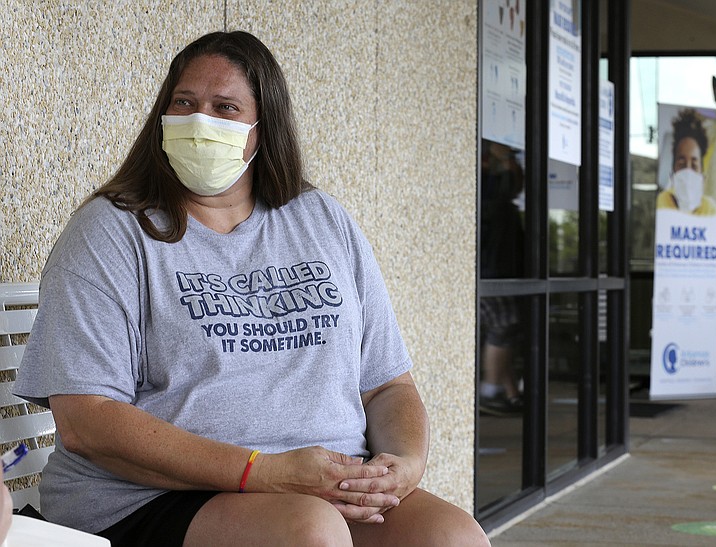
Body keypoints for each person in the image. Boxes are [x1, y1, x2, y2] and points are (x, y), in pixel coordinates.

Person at [14, 31, 490, 547]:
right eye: (185, 103)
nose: (201, 122)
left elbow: (388, 386)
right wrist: (264, 472)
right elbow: (88, 421)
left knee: (452, 537)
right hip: (149, 495)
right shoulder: (112, 230)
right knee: (311, 532)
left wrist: (405, 465)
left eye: (226, 107)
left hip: (323, 485)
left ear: (264, 129)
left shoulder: (323, 221)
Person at [478, 142, 524, 415]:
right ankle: (490, 390)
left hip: (498, 272)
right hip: (493, 274)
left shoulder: (493, 193)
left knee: (504, 334)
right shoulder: (486, 190)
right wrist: (505, 157)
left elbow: (515, 185)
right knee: (504, 326)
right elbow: (514, 183)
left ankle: (509, 391)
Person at [656, 108, 716, 216]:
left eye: (694, 166)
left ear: (703, 179)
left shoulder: (711, 210)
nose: (688, 172)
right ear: (672, 175)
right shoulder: (661, 203)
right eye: (681, 165)